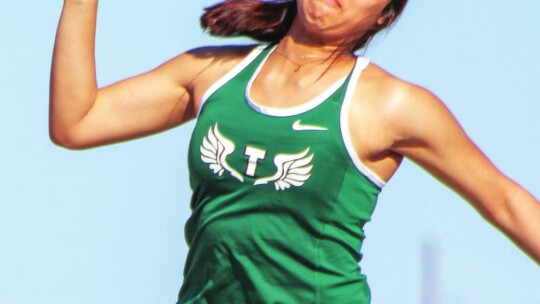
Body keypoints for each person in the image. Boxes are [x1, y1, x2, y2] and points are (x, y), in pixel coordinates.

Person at [49, 0, 540, 303]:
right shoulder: (215, 74)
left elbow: (505, 200)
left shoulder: (389, 104)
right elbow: (77, 121)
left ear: (385, 12)